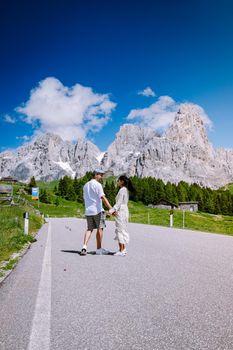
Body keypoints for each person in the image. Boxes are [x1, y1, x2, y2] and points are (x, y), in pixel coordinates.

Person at [80, 169, 113, 256]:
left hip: (88, 211)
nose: (102, 177)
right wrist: (111, 209)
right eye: (101, 175)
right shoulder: (98, 185)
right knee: (100, 228)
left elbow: (85, 198)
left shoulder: (85, 185)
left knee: (89, 229)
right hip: (98, 210)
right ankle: (99, 249)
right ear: (96, 175)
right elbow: (103, 198)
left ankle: (84, 247)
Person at [109, 175, 134, 256]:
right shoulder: (125, 190)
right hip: (124, 210)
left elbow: (119, 203)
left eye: (118, 181)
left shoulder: (122, 190)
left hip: (121, 211)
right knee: (122, 229)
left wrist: (111, 210)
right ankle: (122, 249)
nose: (117, 182)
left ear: (122, 181)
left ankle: (122, 250)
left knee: (120, 230)